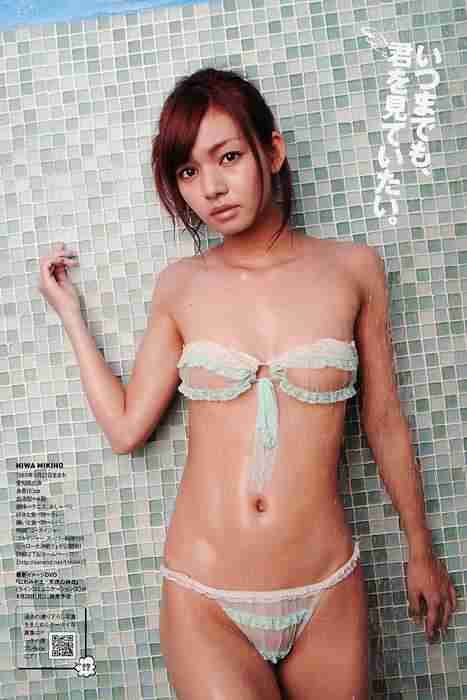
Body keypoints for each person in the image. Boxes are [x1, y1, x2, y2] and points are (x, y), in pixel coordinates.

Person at [38, 67, 457, 700]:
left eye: (228, 157)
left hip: (326, 588)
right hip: (206, 596)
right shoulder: (181, 286)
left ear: (273, 151)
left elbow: (384, 421)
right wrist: (71, 317)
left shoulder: (354, 271)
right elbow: (126, 429)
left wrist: (420, 547)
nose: (211, 187)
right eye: (188, 171)